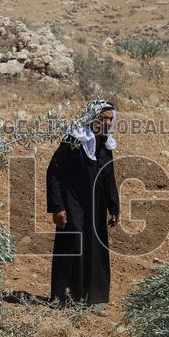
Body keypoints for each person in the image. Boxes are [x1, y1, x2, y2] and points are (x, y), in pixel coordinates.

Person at [46, 99, 120, 309]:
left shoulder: (105, 143)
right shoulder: (74, 140)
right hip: (72, 204)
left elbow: (109, 176)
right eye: (103, 119)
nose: (107, 123)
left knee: (95, 249)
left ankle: (92, 299)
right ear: (92, 118)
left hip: (96, 206)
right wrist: (57, 207)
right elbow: (54, 173)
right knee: (72, 246)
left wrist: (114, 206)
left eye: (110, 119)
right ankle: (62, 298)